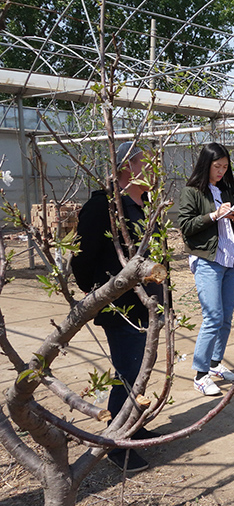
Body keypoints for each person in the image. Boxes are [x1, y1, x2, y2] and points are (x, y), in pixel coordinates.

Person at [72, 141, 163, 473]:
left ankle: (133, 425)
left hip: (148, 305)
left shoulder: (146, 205)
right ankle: (115, 441)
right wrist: (96, 291)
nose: (154, 170)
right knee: (127, 371)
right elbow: (81, 255)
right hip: (121, 306)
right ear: (127, 167)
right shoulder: (105, 207)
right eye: (148, 163)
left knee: (140, 369)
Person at [178, 143, 234, 397]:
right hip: (208, 260)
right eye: (217, 166)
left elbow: (231, 229)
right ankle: (200, 374)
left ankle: (215, 364)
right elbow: (186, 225)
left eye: (225, 167)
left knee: (225, 317)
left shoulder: (225, 190)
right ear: (206, 164)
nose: (221, 171)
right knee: (213, 317)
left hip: (230, 259)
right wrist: (214, 215)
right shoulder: (192, 192)